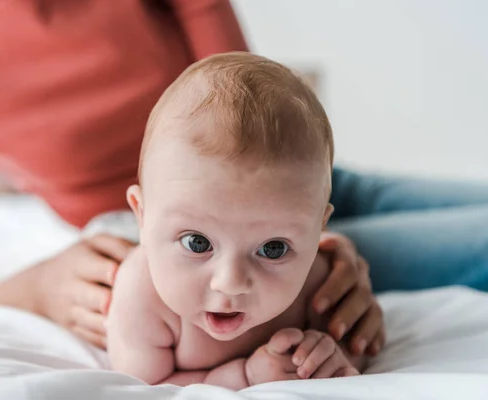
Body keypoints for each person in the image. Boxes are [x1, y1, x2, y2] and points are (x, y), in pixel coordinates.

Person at [0, 0, 382, 355]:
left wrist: (298, 239)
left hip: (294, 198)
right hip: (208, 241)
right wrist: (38, 289)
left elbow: (248, 88)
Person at [108, 53, 366, 389]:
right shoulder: (142, 295)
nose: (230, 282)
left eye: (273, 249)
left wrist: (332, 354)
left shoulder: (319, 284)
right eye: (196, 243)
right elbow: (145, 388)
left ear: (319, 230)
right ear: (141, 217)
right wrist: (243, 376)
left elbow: (357, 349)